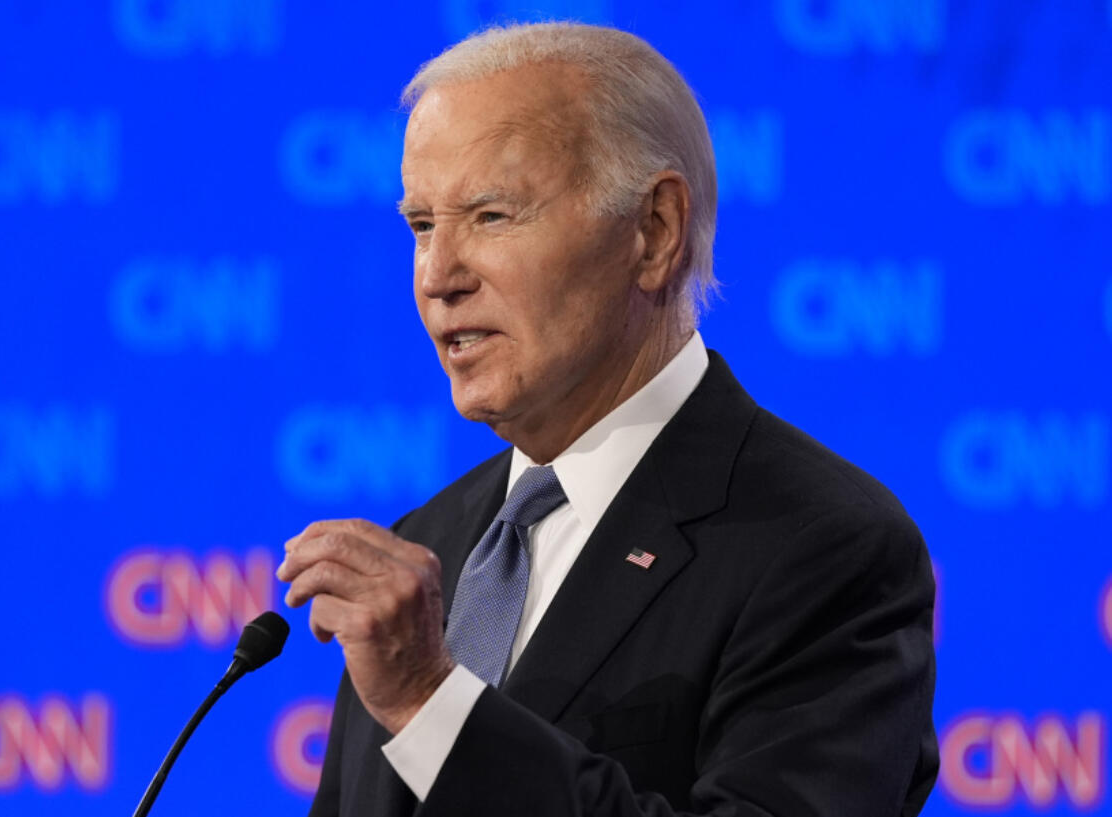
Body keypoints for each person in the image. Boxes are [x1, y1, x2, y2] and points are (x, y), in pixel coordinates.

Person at [276, 21, 937, 817]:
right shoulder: (431, 543)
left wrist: (431, 702)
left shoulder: (824, 546)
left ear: (653, 231)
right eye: (421, 225)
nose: (438, 275)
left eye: (491, 215)